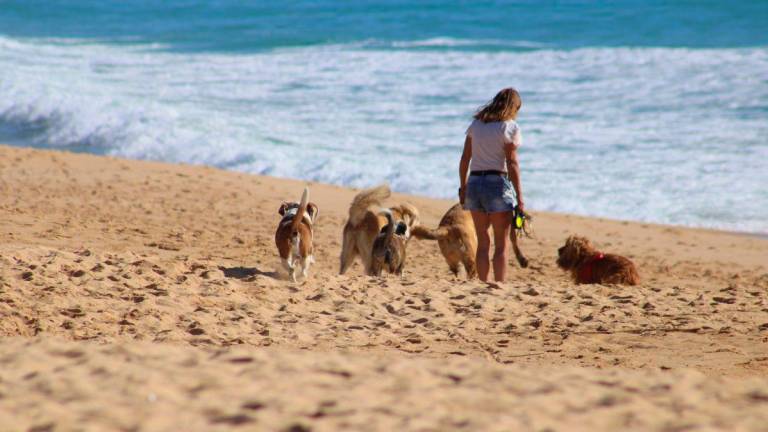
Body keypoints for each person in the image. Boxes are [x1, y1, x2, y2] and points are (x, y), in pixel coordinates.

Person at [458, 88, 525, 283]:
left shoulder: (476, 125)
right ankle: (499, 286)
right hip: (497, 183)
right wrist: (520, 198)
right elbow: (512, 164)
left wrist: (463, 188)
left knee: (482, 242)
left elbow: (464, 160)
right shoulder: (509, 127)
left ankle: (483, 284)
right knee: (501, 244)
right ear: (513, 107)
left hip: (475, 183)